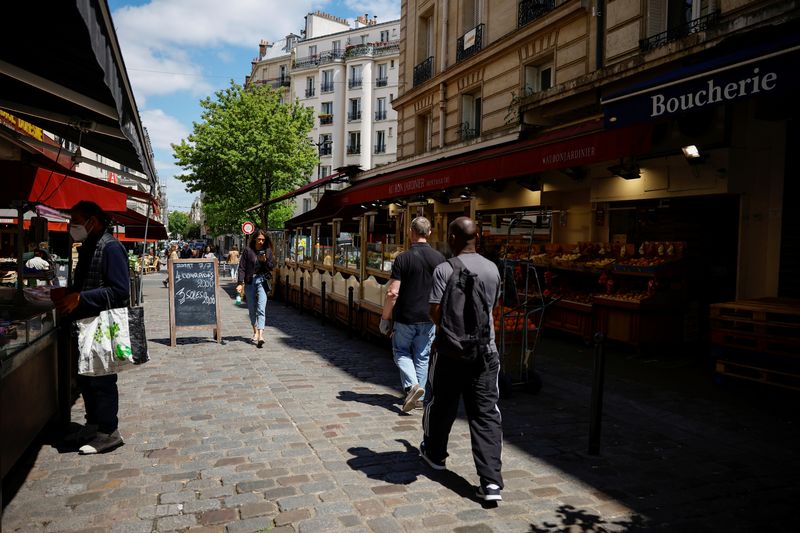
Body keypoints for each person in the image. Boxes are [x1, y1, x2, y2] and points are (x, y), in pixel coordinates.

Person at [420, 216, 504, 502]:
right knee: (485, 414)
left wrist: (451, 332)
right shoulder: (493, 269)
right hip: (486, 351)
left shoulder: (445, 269)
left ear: (453, 238)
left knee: (442, 404)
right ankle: (491, 482)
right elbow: (492, 306)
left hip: (450, 351)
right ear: (476, 238)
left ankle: (435, 454)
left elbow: (434, 311)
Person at [52, 201, 129, 455]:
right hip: (84, 324)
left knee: (103, 380)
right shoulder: (88, 246)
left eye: (75, 220)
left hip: (101, 325)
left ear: (92, 221)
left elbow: (120, 291)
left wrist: (81, 298)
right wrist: (71, 293)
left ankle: (109, 431)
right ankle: (94, 424)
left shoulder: (111, 248)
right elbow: (87, 282)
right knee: (86, 378)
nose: (71, 226)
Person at [379, 217, 445, 413]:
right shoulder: (440, 259)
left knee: (401, 352)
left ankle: (412, 387)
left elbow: (393, 293)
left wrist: (384, 318)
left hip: (406, 317)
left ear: (411, 232)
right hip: (430, 316)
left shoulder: (403, 258)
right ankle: (419, 399)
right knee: (422, 357)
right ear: (429, 233)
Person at [236, 230, 274, 348]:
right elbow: (242, 267)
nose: (261, 241)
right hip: (250, 282)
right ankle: (255, 332)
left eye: (263, 239)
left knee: (261, 308)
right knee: (252, 309)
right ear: (254, 239)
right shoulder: (248, 251)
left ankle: (261, 335)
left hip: (262, 281)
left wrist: (265, 261)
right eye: (259, 239)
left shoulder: (267, 251)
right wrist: (240, 283)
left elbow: (272, 266)